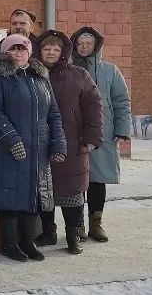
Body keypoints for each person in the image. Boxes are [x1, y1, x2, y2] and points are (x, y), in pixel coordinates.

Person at [0, 34, 67, 262]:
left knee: (32, 197)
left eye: (23, 49)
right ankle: (9, 244)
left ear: (30, 53)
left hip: (37, 150)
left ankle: (28, 241)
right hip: (8, 149)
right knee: (10, 195)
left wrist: (58, 143)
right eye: (13, 49)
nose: (19, 53)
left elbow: (53, 114)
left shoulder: (40, 78)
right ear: (5, 53)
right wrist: (13, 138)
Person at [34, 31, 104, 254]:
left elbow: (94, 106)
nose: (51, 52)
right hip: (41, 142)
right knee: (45, 189)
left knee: (72, 192)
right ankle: (48, 231)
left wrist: (91, 138)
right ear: (40, 51)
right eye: (47, 48)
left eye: (56, 48)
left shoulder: (79, 75)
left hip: (73, 143)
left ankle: (73, 234)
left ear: (64, 51)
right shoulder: (32, 74)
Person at [70, 26, 132, 243]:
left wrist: (123, 129)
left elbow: (121, 101)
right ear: (74, 46)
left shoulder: (110, 71)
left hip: (102, 133)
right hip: (74, 132)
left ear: (96, 46)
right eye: (80, 43)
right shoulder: (67, 69)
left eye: (89, 43)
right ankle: (76, 225)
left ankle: (96, 223)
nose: (84, 47)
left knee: (98, 179)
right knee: (76, 180)